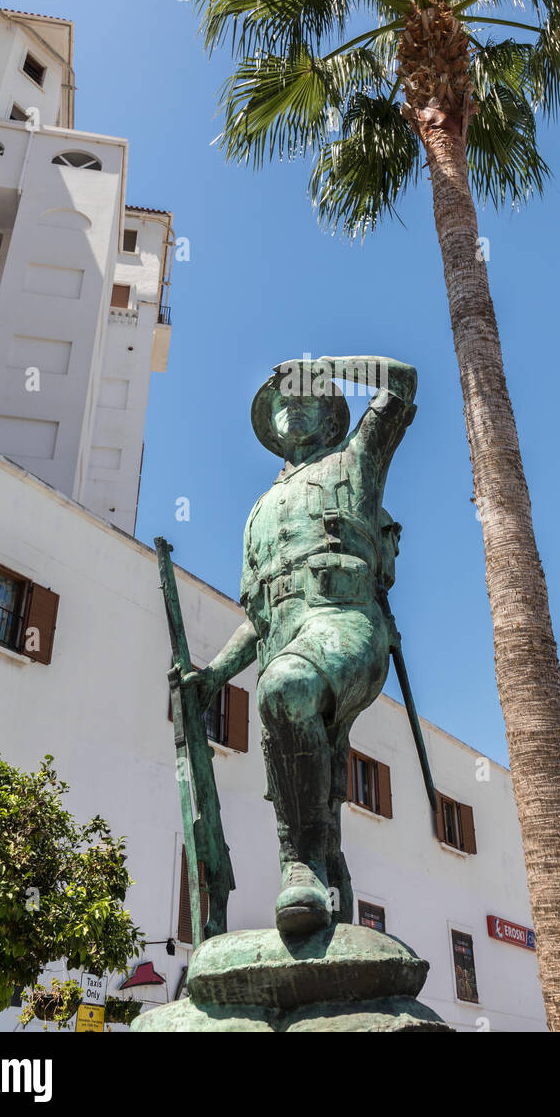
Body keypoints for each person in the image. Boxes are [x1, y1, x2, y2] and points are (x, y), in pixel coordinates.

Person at [186, 355, 417, 935]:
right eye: (282, 401)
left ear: (331, 412)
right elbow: (259, 617)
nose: (292, 407)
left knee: (287, 687)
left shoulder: (355, 463)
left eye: (304, 395)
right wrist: (213, 674)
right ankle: (328, 876)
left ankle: (302, 866)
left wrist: (325, 364)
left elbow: (403, 382)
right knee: (303, 750)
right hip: (284, 642)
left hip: (346, 623)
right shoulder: (258, 513)